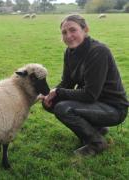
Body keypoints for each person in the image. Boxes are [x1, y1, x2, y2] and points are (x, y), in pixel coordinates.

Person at [41, 14, 129, 156]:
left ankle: (96, 143)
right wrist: (49, 94)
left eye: (73, 30)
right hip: (95, 103)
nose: (68, 36)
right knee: (49, 102)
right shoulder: (69, 52)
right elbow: (67, 82)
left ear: (85, 30)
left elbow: (89, 95)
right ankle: (97, 129)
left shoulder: (98, 51)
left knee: (63, 108)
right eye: (64, 32)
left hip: (113, 108)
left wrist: (59, 92)